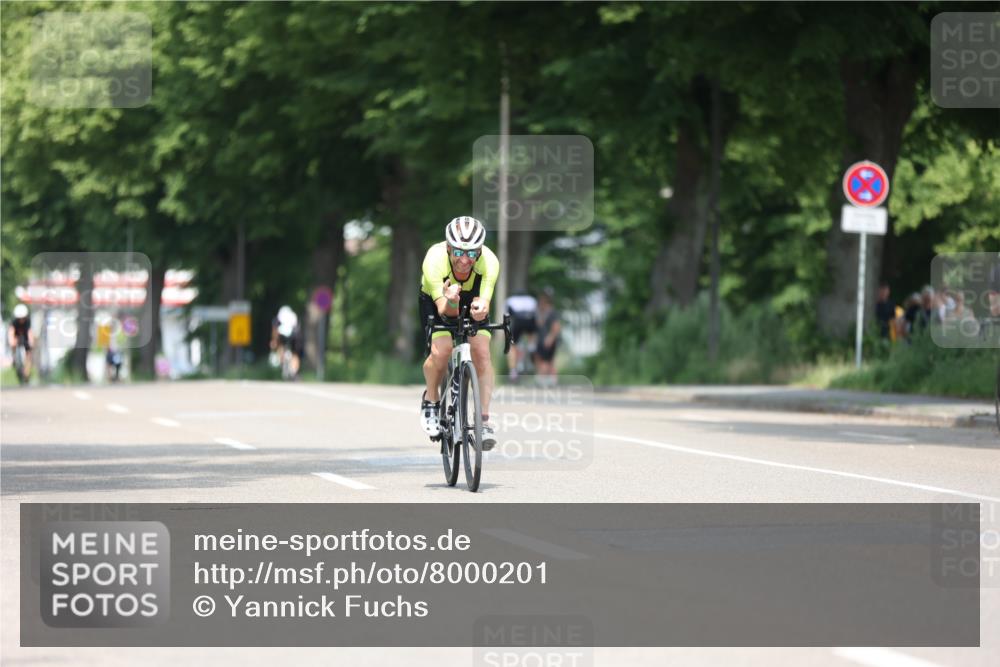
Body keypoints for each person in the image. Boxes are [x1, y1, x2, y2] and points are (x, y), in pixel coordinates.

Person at [419, 216, 499, 449]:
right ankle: (431, 399)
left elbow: (484, 304)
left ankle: (483, 420)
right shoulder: (434, 261)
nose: (464, 260)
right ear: (448, 247)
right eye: (458, 252)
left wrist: (481, 310)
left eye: (472, 253)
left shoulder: (490, 263)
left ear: (479, 252)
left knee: (481, 352)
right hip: (437, 300)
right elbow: (445, 311)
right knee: (441, 351)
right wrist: (452, 300)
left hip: (471, 296)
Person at [505, 291, 538, 380]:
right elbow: (536, 314)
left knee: (512, 346)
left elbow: (507, 316)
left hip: (518, 321)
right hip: (530, 321)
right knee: (532, 337)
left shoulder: (510, 300)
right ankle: (531, 348)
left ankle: (513, 371)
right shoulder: (532, 300)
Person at [533, 288, 561, 383]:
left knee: (546, 361)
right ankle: (545, 379)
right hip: (541, 340)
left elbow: (556, 327)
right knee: (541, 359)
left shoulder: (552, 312)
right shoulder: (540, 312)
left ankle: (547, 379)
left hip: (548, 341)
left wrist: (550, 338)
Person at [270, 305, 301, 378]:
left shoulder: (279, 318)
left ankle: (283, 363)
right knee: (295, 353)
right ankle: (294, 371)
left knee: (280, 347)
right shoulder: (293, 316)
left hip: (283, 334)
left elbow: (275, 330)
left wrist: (274, 341)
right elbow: (297, 329)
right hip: (293, 335)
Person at [7, 303, 34, 382]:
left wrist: (31, 342)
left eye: (23, 318)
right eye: (20, 318)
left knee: (29, 353)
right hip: (16, 336)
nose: (21, 320)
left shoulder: (28, 321)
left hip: (25, 337)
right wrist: (12, 342)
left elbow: (29, 332)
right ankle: (14, 358)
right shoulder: (14, 322)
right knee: (13, 344)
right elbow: (11, 332)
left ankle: (26, 373)